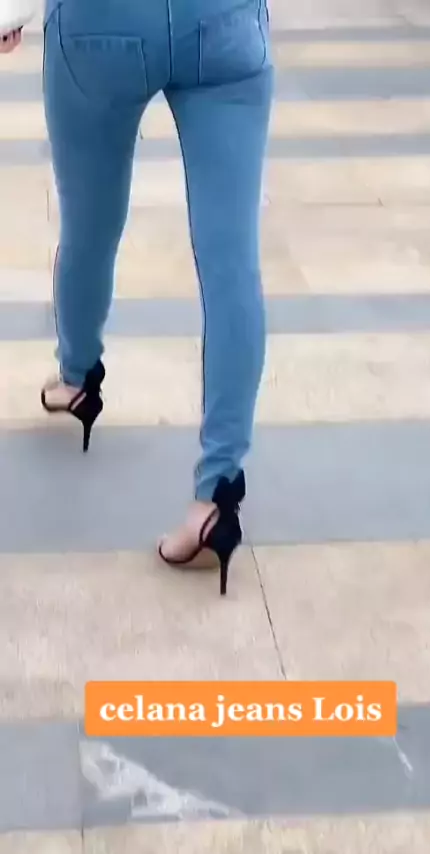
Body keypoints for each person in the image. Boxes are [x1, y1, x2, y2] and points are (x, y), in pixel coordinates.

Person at [6, 0, 273, 595]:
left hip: (100, 25)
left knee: (89, 225)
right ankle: (217, 496)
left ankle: (78, 376)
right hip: (224, 23)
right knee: (232, 262)